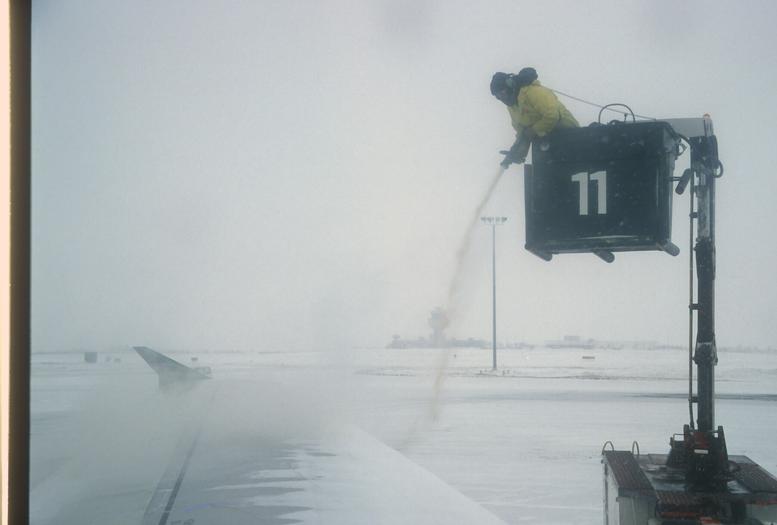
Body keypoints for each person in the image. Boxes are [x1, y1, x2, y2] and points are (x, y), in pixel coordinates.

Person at [490, 68, 579, 168]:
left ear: (510, 85)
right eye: (498, 97)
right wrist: (516, 152)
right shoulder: (513, 107)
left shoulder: (532, 92)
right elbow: (523, 134)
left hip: (569, 135)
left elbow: (552, 115)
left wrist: (534, 130)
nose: (502, 98)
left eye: (502, 93)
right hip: (549, 143)